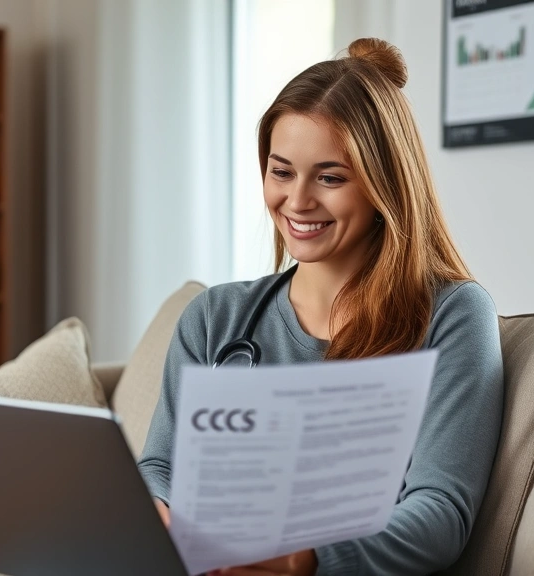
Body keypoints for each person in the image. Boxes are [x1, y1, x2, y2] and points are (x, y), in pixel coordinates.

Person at [137, 37, 504, 576]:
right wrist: (157, 517)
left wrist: (304, 559)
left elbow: (439, 511)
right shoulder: (214, 317)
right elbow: (161, 465)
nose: (298, 200)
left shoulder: (453, 315)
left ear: (386, 186)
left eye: (330, 177)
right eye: (281, 171)